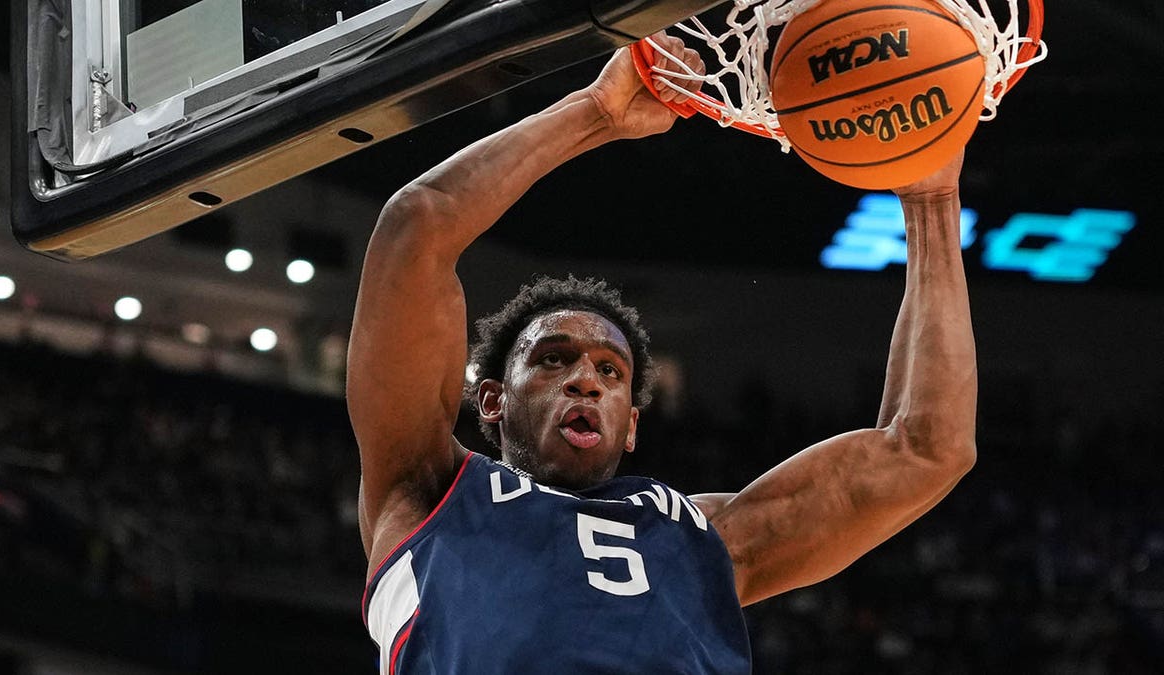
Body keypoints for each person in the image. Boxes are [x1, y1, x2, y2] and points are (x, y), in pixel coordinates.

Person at [347, 34, 976, 674]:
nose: (586, 380)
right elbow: (417, 226)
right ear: (491, 399)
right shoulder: (427, 489)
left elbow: (927, 450)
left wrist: (931, 202)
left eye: (610, 371)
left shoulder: (703, 537)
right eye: (553, 359)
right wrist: (596, 113)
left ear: (631, 427)